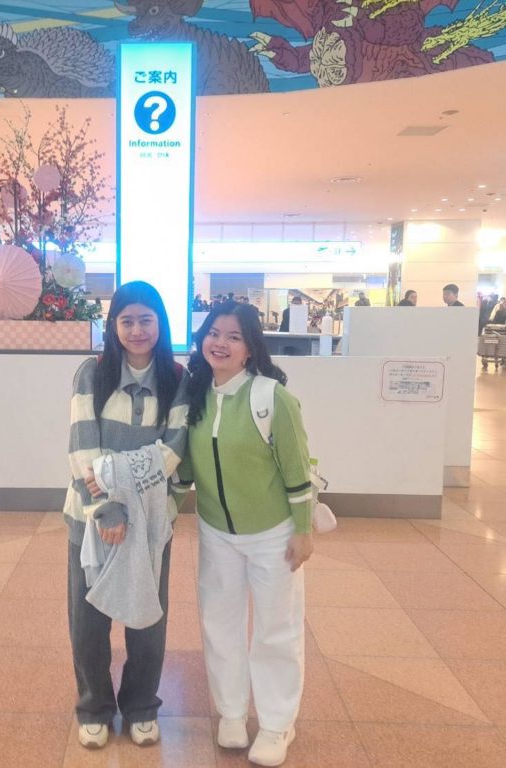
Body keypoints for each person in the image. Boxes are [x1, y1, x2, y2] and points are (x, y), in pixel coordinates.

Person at [177, 302, 313, 767]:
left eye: (234, 336)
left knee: (277, 629)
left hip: (273, 534)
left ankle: (277, 723)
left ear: (251, 347)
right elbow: (185, 468)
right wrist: (165, 514)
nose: (220, 343)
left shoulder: (272, 397)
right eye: (214, 333)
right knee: (220, 625)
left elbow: (297, 469)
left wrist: (303, 529)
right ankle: (231, 713)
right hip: (216, 532)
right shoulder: (195, 395)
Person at [64, 280, 189, 750]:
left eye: (146, 320)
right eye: (127, 320)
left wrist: (125, 487)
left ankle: (140, 706)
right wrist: (108, 507)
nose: (137, 330)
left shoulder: (177, 377)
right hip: (90, 516)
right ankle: (94, 706)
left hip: (152, 519)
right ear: (113, 325)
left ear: (161, 324)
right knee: (88, 616)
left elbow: (174, 450)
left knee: (147, 617)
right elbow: (82, 446)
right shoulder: (92, 374)